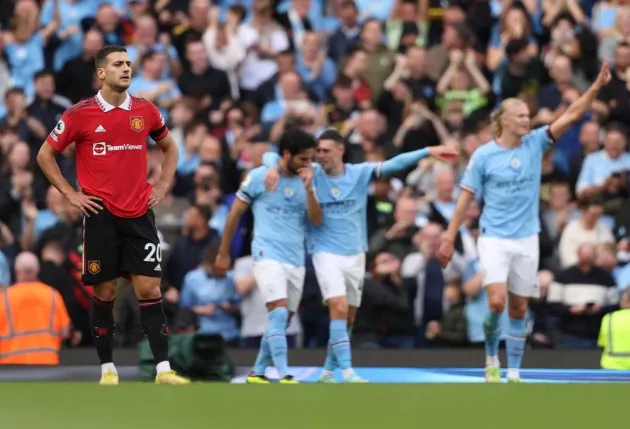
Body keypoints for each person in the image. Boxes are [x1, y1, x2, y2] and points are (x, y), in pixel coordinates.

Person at [437, 61, 612, 383]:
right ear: (503, 120)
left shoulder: (536, 142)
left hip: (526, 237)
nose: (526, 119)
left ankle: (514, 370)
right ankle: (492, 356)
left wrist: (596, 87)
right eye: (520, 115)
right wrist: (448, 237)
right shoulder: (484, 156)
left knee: (518, 308)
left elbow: (572, 114)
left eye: (527, 116)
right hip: (494, 238)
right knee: (496, 300)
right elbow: (465, 199)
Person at [36, 45, 189, 385]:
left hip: (139, 214)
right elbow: (46, 155)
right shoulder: (80, 114)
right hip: (100, 214)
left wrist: (162, 186)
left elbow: (170, 147)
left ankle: (163, 370)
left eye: (129, 63)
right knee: (104, 293)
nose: (126, 68)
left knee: (150, 289)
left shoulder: (146, 111)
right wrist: (70, 194)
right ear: (101, 73)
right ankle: (108, 369)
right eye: (118, 64)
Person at [263, 129, 458, 382]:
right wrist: (271, 167)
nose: (319, 156)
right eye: (317, 151)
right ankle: (347, 371)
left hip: (355, 254)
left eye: (325, 151)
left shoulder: (358, 173)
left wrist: (427, 151)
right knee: (339, 307)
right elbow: (270, 155)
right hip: (325, 252)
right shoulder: (312, 174)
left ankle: (327, 372)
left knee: (349, 316)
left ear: (341, 150)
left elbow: (394, 164)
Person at [214, 128, 321, 384]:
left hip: (295, 258)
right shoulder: (260, 176)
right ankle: (284, 373)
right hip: (265, 253)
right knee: (280, 313)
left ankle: (257, 371)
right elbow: (234, 215)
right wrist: (223, 251)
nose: (308, 164)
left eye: (310, 159)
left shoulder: (310, 179)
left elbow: (316, 221)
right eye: (303, 159)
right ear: (286, 154)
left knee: (281, 321)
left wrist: (309, 190)